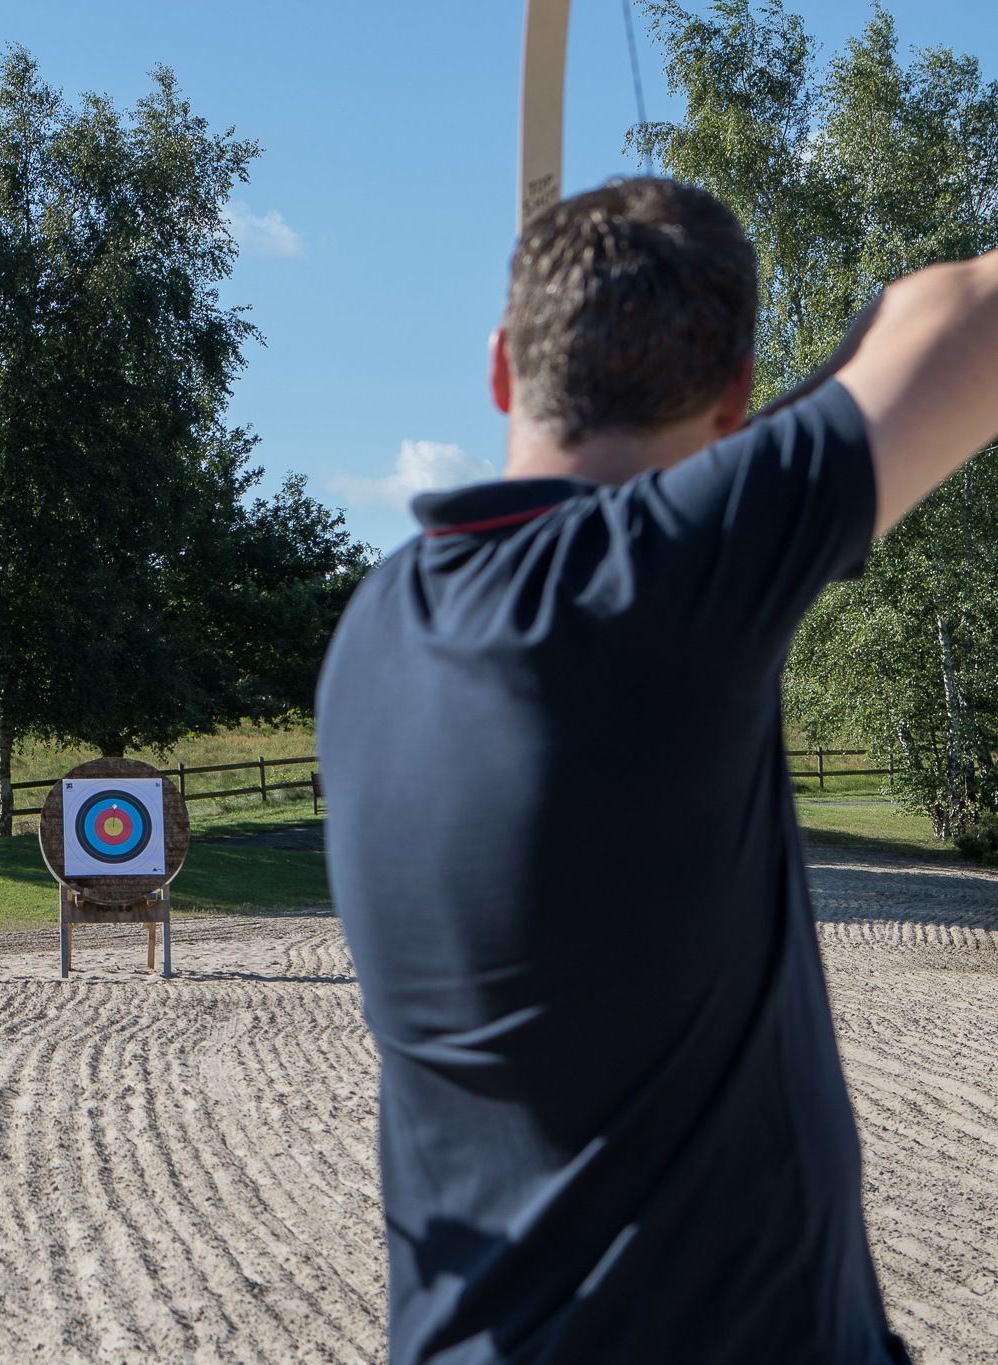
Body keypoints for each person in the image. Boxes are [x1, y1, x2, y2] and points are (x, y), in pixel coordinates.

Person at [316, 177, 998, 1363]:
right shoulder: (659, 589)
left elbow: (697, 501)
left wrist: (772, 433)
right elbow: (967, 316)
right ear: (733, 401)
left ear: (501, 369)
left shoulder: (380, 623)